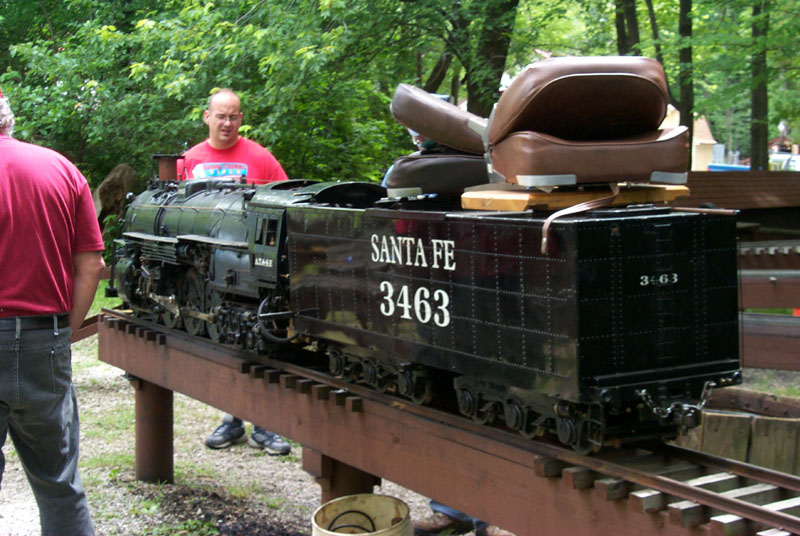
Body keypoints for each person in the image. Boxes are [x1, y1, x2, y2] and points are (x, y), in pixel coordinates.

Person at [0, 88, 106, 535]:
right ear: (9, 120)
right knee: (59, 483)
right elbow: (92, 265)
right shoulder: (60, 169)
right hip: (43, 339)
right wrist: (65, 330)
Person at [179, 88, 291, 455]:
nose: (226, 123)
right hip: (205, 266)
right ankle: (231, 419)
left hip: (253, 262)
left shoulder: (260, 158)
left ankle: (265, 424)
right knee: (224, 340)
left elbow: (284, 200)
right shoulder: (190, 160)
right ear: (207, 117)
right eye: (220, 116)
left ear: (240, 119)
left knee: (262, 339)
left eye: (233, 116)